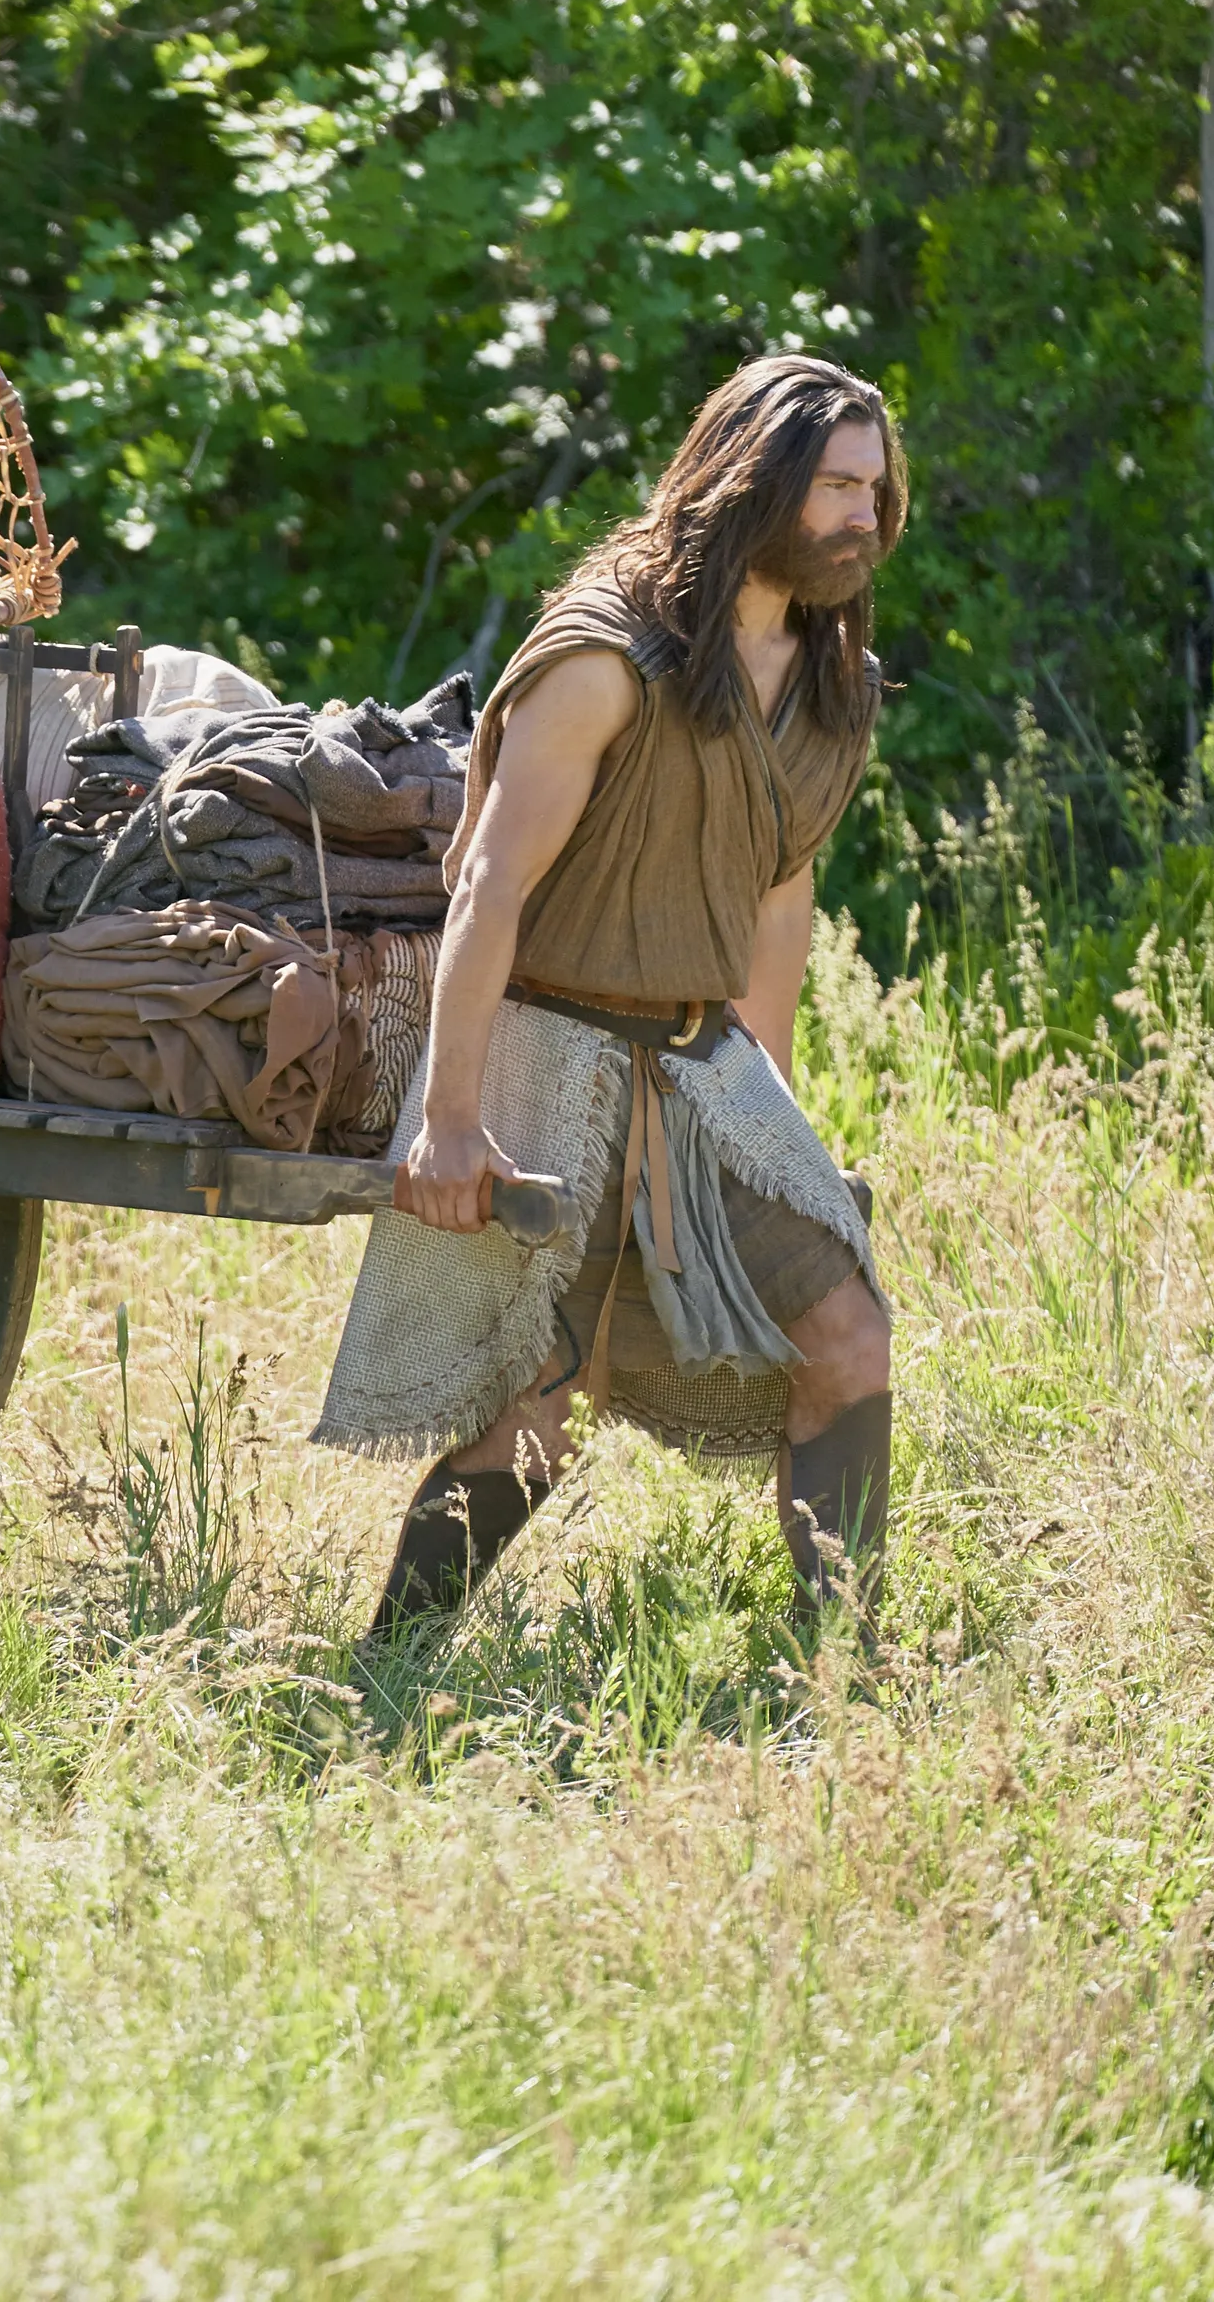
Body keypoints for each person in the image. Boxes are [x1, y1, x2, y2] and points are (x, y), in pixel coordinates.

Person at [315, 355, 899, 1644]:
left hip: (703, 1073)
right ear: (756, 483)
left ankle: (845, 1678)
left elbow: (778, 903)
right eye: (836, 487)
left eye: (875, 487)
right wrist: (451, 1118)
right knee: (540, 1410)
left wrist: (779, 1122)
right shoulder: (607, 653)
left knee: (848, 1337)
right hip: (552, 1052)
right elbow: (490, 888)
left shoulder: (831, 687)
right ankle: (391, 1669)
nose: (866, 516)